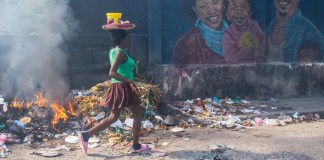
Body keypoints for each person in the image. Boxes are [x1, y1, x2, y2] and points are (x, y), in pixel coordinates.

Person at [78, 29, 146, 155]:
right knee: (137, 113)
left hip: (118, 86)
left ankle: (86, 135)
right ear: (122, 39)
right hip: (123, 86)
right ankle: (136, 145)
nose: (128, 40)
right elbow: (112, 72)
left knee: (114, 117)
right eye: (126, 38)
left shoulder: (113, 51)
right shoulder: (120, 52)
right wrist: (129, 82)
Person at [172, 0, 228, 66]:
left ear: (222, 3)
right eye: (203, 6)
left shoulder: (236, 35)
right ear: (195, 10)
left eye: (215, 2)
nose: (211, 10)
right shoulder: (186, 45)